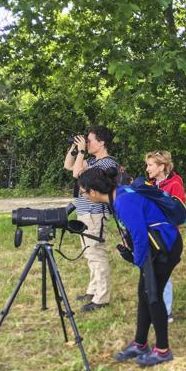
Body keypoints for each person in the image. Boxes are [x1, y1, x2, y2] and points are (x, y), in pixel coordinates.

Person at [77, 166, 183, 366]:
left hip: (164, 248)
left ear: (93, 192)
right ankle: (140, 343)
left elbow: (141, 236)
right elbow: (137, 227)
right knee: (144, 293)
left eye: (83, 192)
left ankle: (162, 350)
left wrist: (138, 262)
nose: (84, 195)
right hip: (158, 245)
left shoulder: (123, 201)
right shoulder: (121, 193)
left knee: (152, 295)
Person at [63, 125, 120, 312]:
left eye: (90, 141)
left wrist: (81, 152)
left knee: (96, 254)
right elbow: (68, 165)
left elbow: (76, 174)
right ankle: (93, 291)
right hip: (86, 212)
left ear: (102, 142)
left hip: (95, 214)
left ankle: (102, 297)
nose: (87, 144)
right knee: (90, 253)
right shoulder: (94, 162)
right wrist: (74, 149)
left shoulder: (107, 164)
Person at [145, 150, 186, 323]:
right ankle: (154, 306)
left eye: (150, 165)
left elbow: (179, 212)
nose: (147, 169)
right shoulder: (150, 184)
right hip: (151, 234)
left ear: (162, 167)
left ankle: (166, 311)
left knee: (163, 273)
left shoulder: (175, 184)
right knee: (151, 271)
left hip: (167, 235)